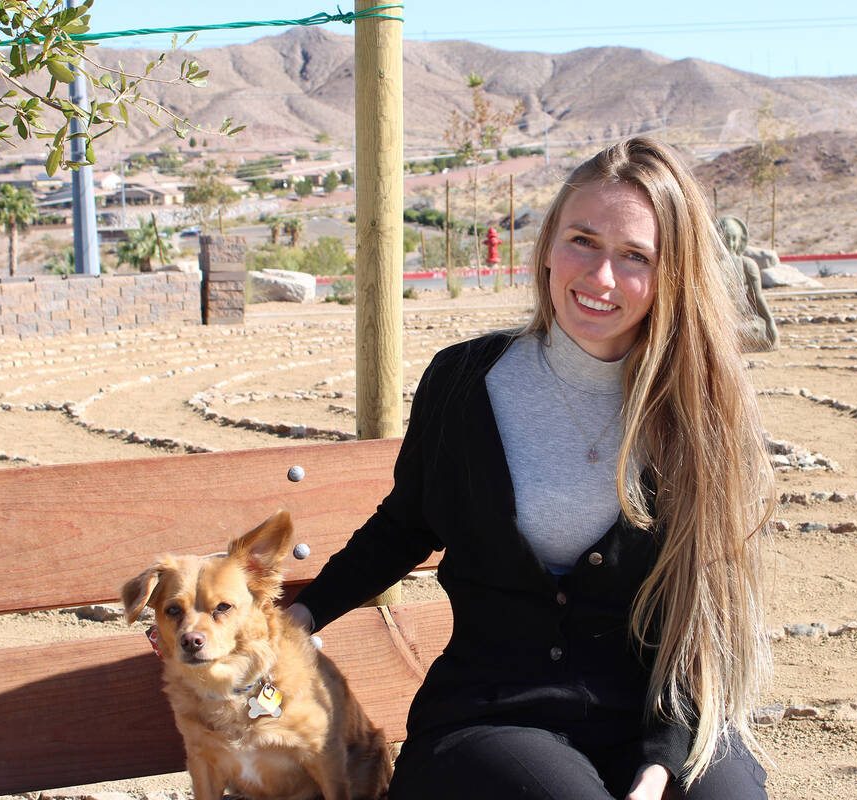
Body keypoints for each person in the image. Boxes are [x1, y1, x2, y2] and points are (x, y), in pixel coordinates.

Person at [289, 137, 773, 800]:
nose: (600, 277)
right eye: (582, 240)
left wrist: (659, 766)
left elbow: (702, 622)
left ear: (672, 276)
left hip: (656, 716)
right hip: (494, 716)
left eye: (635, 257)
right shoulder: (464, 382)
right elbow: (403, 525)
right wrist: (305, 614)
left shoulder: (697, 411)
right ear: (547, 246)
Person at [717, 215, 779, 352]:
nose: (730, 244)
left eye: (734, 239)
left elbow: (757, 296)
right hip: (720, 320)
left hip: (743, 319)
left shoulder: (747, 265)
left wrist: (769, 322)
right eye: (726, 240)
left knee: (758, 328)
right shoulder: (711, 266)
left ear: (740, 241)